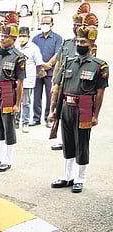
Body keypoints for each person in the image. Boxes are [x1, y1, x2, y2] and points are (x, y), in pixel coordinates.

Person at [48, 13, 108, 193]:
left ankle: (80, 178)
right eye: (78, 42)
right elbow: (57, 87)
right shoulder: (68, 62)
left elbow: (100, 93)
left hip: (84, 108)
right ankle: (67, 176)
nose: (80, 45)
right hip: (66, 106)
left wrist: (95, 115)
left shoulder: (99, 66)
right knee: (67, 142)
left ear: (91, 45)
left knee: (82, 143)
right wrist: (53, 110)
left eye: (83, 42)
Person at [43, 3, 90, 151]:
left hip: (76, 83)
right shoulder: (67, 43)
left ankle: (72, 141)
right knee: (60, 110)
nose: (75, 27)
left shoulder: (87, 44)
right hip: (62, 80)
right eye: (74, 24)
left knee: (74, 114)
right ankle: (63, 140)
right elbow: (59, 62)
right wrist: (54, 79)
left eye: (78, 24)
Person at [0, 12, 26, 172]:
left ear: (14, 39)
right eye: (1, 35)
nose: (2, 38)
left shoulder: (18, 57)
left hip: (9, 94)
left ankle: (7, 159)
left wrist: (18, 104)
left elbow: (20, 82)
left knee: (9, 127)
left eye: (6, 36)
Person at [31, 16, 62, 128]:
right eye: (43, 23)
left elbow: (58, 54)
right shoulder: (35, 38)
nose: (44, 25)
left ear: (52, 24)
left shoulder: (57, 38)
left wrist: (48, 65)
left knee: (50, 96)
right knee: (36, 96)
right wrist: (41, 67)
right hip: (38, 71)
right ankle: (36, 118)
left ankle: (48, 118)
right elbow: (32, 54)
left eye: (47, 23)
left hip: (50, 72)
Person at [15, 27, 43, 133]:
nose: (22, 38)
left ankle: (25, 123)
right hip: (16, 80)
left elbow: (39, 64)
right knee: (16, 101)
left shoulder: (33, 48)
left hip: (28, 80)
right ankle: (16, 121)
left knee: (26, 102)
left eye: (24, 36)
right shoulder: (15, 47)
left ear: (28, 37)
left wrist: (37, 74)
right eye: (20, 36)